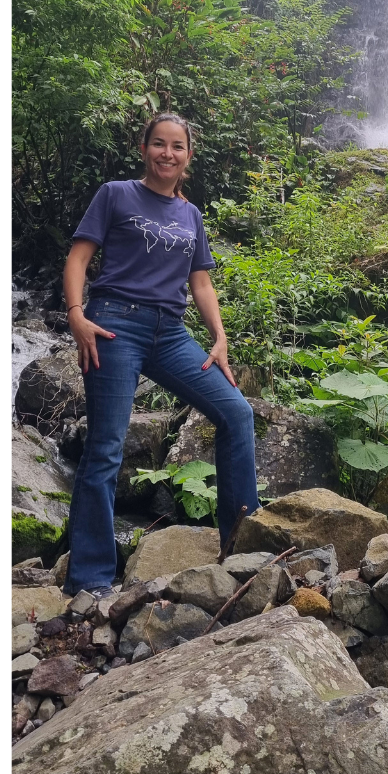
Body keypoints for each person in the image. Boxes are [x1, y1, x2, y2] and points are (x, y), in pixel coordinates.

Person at [60, 113, 259, 597]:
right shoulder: (116, 193)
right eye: (159, 144)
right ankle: (90, 580)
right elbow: (78, 258)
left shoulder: (191, 215)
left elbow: (201, 282)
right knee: (106, 447)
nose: (167, 153)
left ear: (189, 156)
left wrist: (219, 335)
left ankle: (243, 551)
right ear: (144, 148)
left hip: (169, 332)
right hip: (113, 324)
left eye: (177, 146)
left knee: (237, 413)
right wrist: (76, 314)